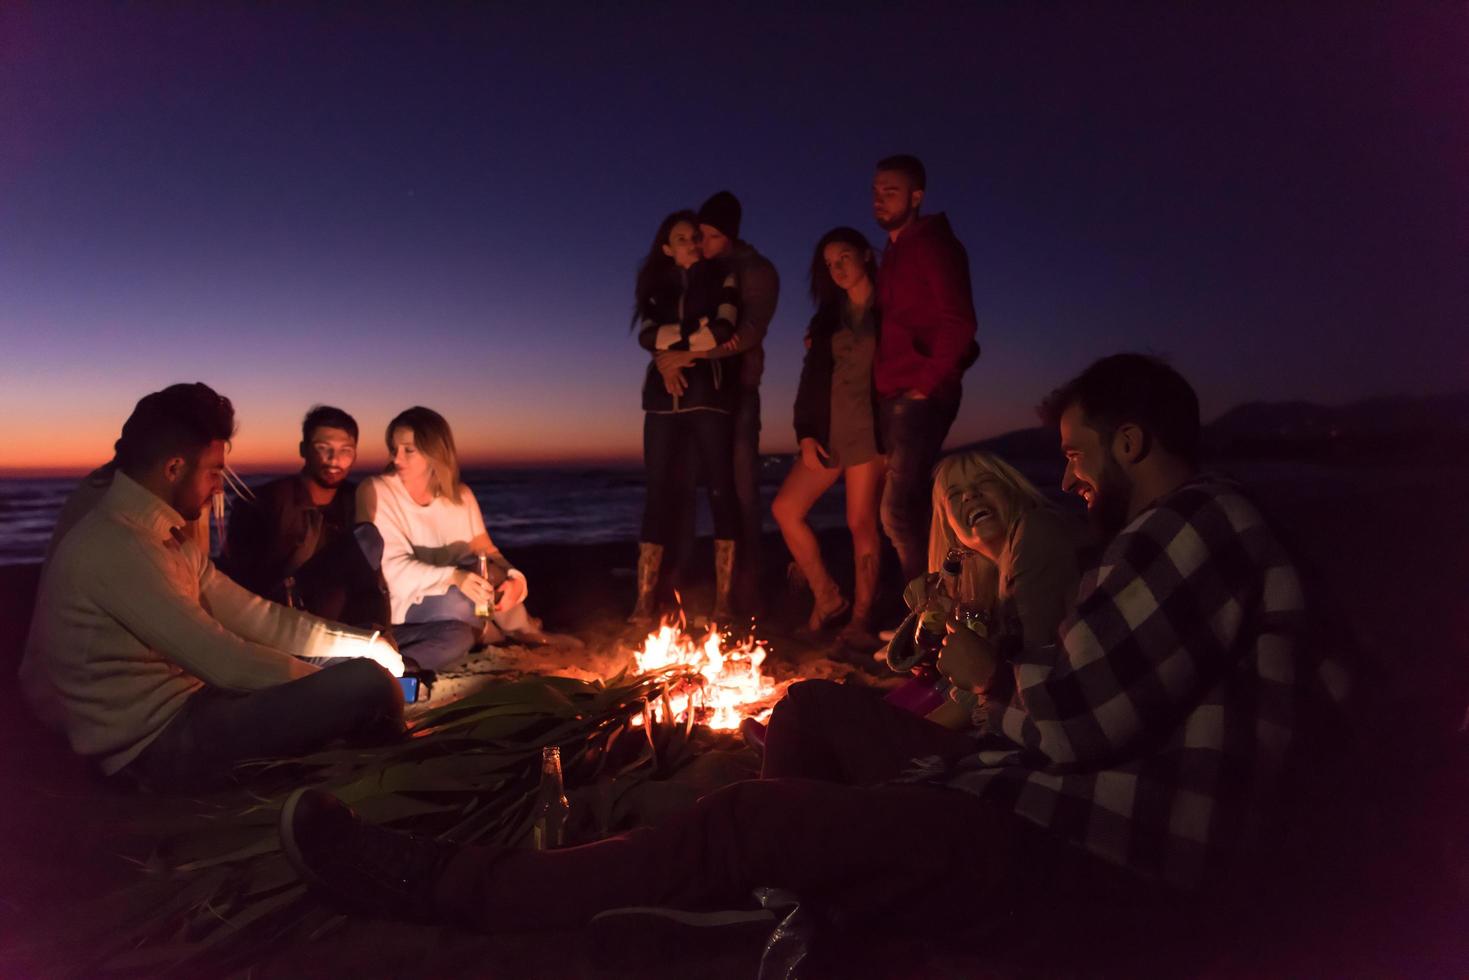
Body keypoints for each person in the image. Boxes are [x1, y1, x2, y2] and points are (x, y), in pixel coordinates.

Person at [278, 354, 1349, 935]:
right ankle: (794, 913)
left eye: (1074, 454)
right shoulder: (1184, 537)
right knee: (808, 708)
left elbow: (1066, 724)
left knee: (743, 815)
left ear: (1131, 441)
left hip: (1073, 849)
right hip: (1015, 787)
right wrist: (973, 681)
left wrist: (984, 677)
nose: (1064, 476)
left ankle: (448, 884)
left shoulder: (1195, 525)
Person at [22, 383, 406, 792]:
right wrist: (337, 681)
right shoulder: (114, 546)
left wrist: (364, 642)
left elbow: (258, 616)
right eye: (214, 472)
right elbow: (226, 662)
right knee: (368, 686)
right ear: (173, 469)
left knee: (362, 670)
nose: (220, 487)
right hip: (156, 747)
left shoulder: (165, 536)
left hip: (198, 704)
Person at [221, 405, 476, 671]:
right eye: (323, 448)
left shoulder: (358, 499)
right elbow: (240, 583)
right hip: (295, 629)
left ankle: (391, 669)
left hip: (357, 627)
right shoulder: (266, 502)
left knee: (457, 635)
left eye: (345, 451)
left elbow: (379, 571)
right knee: (367, 538)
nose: (334, 459)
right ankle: (375, 670)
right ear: (303, 449)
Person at [656, 191, 780, 616]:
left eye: (707, 235)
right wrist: (667, 356)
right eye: (694, 236)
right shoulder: (699, 274)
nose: (698, 243)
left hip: (739, 391)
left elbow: (747, 333)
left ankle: (746, 590)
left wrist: (691, 355)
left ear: (727, 235)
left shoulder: (757, 271)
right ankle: (682, 586)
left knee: (740, 490)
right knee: (685, 487)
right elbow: (671, 328)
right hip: (699, 393)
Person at [358, 406, 561, 648]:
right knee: (461, 601)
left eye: (408, 450)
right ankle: (491, 634)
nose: (396, 458)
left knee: (490, 574)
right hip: (405, 605)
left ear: (435, 452)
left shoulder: (461, 496)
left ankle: (522, 631)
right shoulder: (376, 491)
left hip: (458, 594)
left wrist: (516, 579)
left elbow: (487, 553)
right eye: (394, 449)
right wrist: (454, 577)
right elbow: (389, 570)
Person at [771, 227, 886, 648]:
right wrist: (805, 434)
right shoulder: (826, 318)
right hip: (829, 432)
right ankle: (828, 598)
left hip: (871, 433)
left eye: (843, 258)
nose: (837, 269)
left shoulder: (890, 307)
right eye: (829, 264)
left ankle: (860, 619)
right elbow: (810, 380)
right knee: (785, 508)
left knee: (860, 522)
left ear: (865, 256)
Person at [628, 211, 743, 624]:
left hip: (708, 396)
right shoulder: (654, 288)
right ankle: (643, 600)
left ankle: (724, 600)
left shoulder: (722, 277)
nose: (692, 243)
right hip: (662, 399)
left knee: (719, 490)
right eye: (681, 238)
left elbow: (724, 328)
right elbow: (646, 335)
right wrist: (673, 356)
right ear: (666, 247)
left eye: (695, 236)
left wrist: (677, 350)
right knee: (657, 492)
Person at [871, 154, 979, 584]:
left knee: (897, 513)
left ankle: (923, 621)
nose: (879, 200)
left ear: (916, 196)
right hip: (895, 392)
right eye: (876, 192)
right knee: (910, 508)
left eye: (890, 191)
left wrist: (925, 384)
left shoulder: (933, 244)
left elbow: (961, 321)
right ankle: (925, 620)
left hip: (917, 395)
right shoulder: (894, 253)